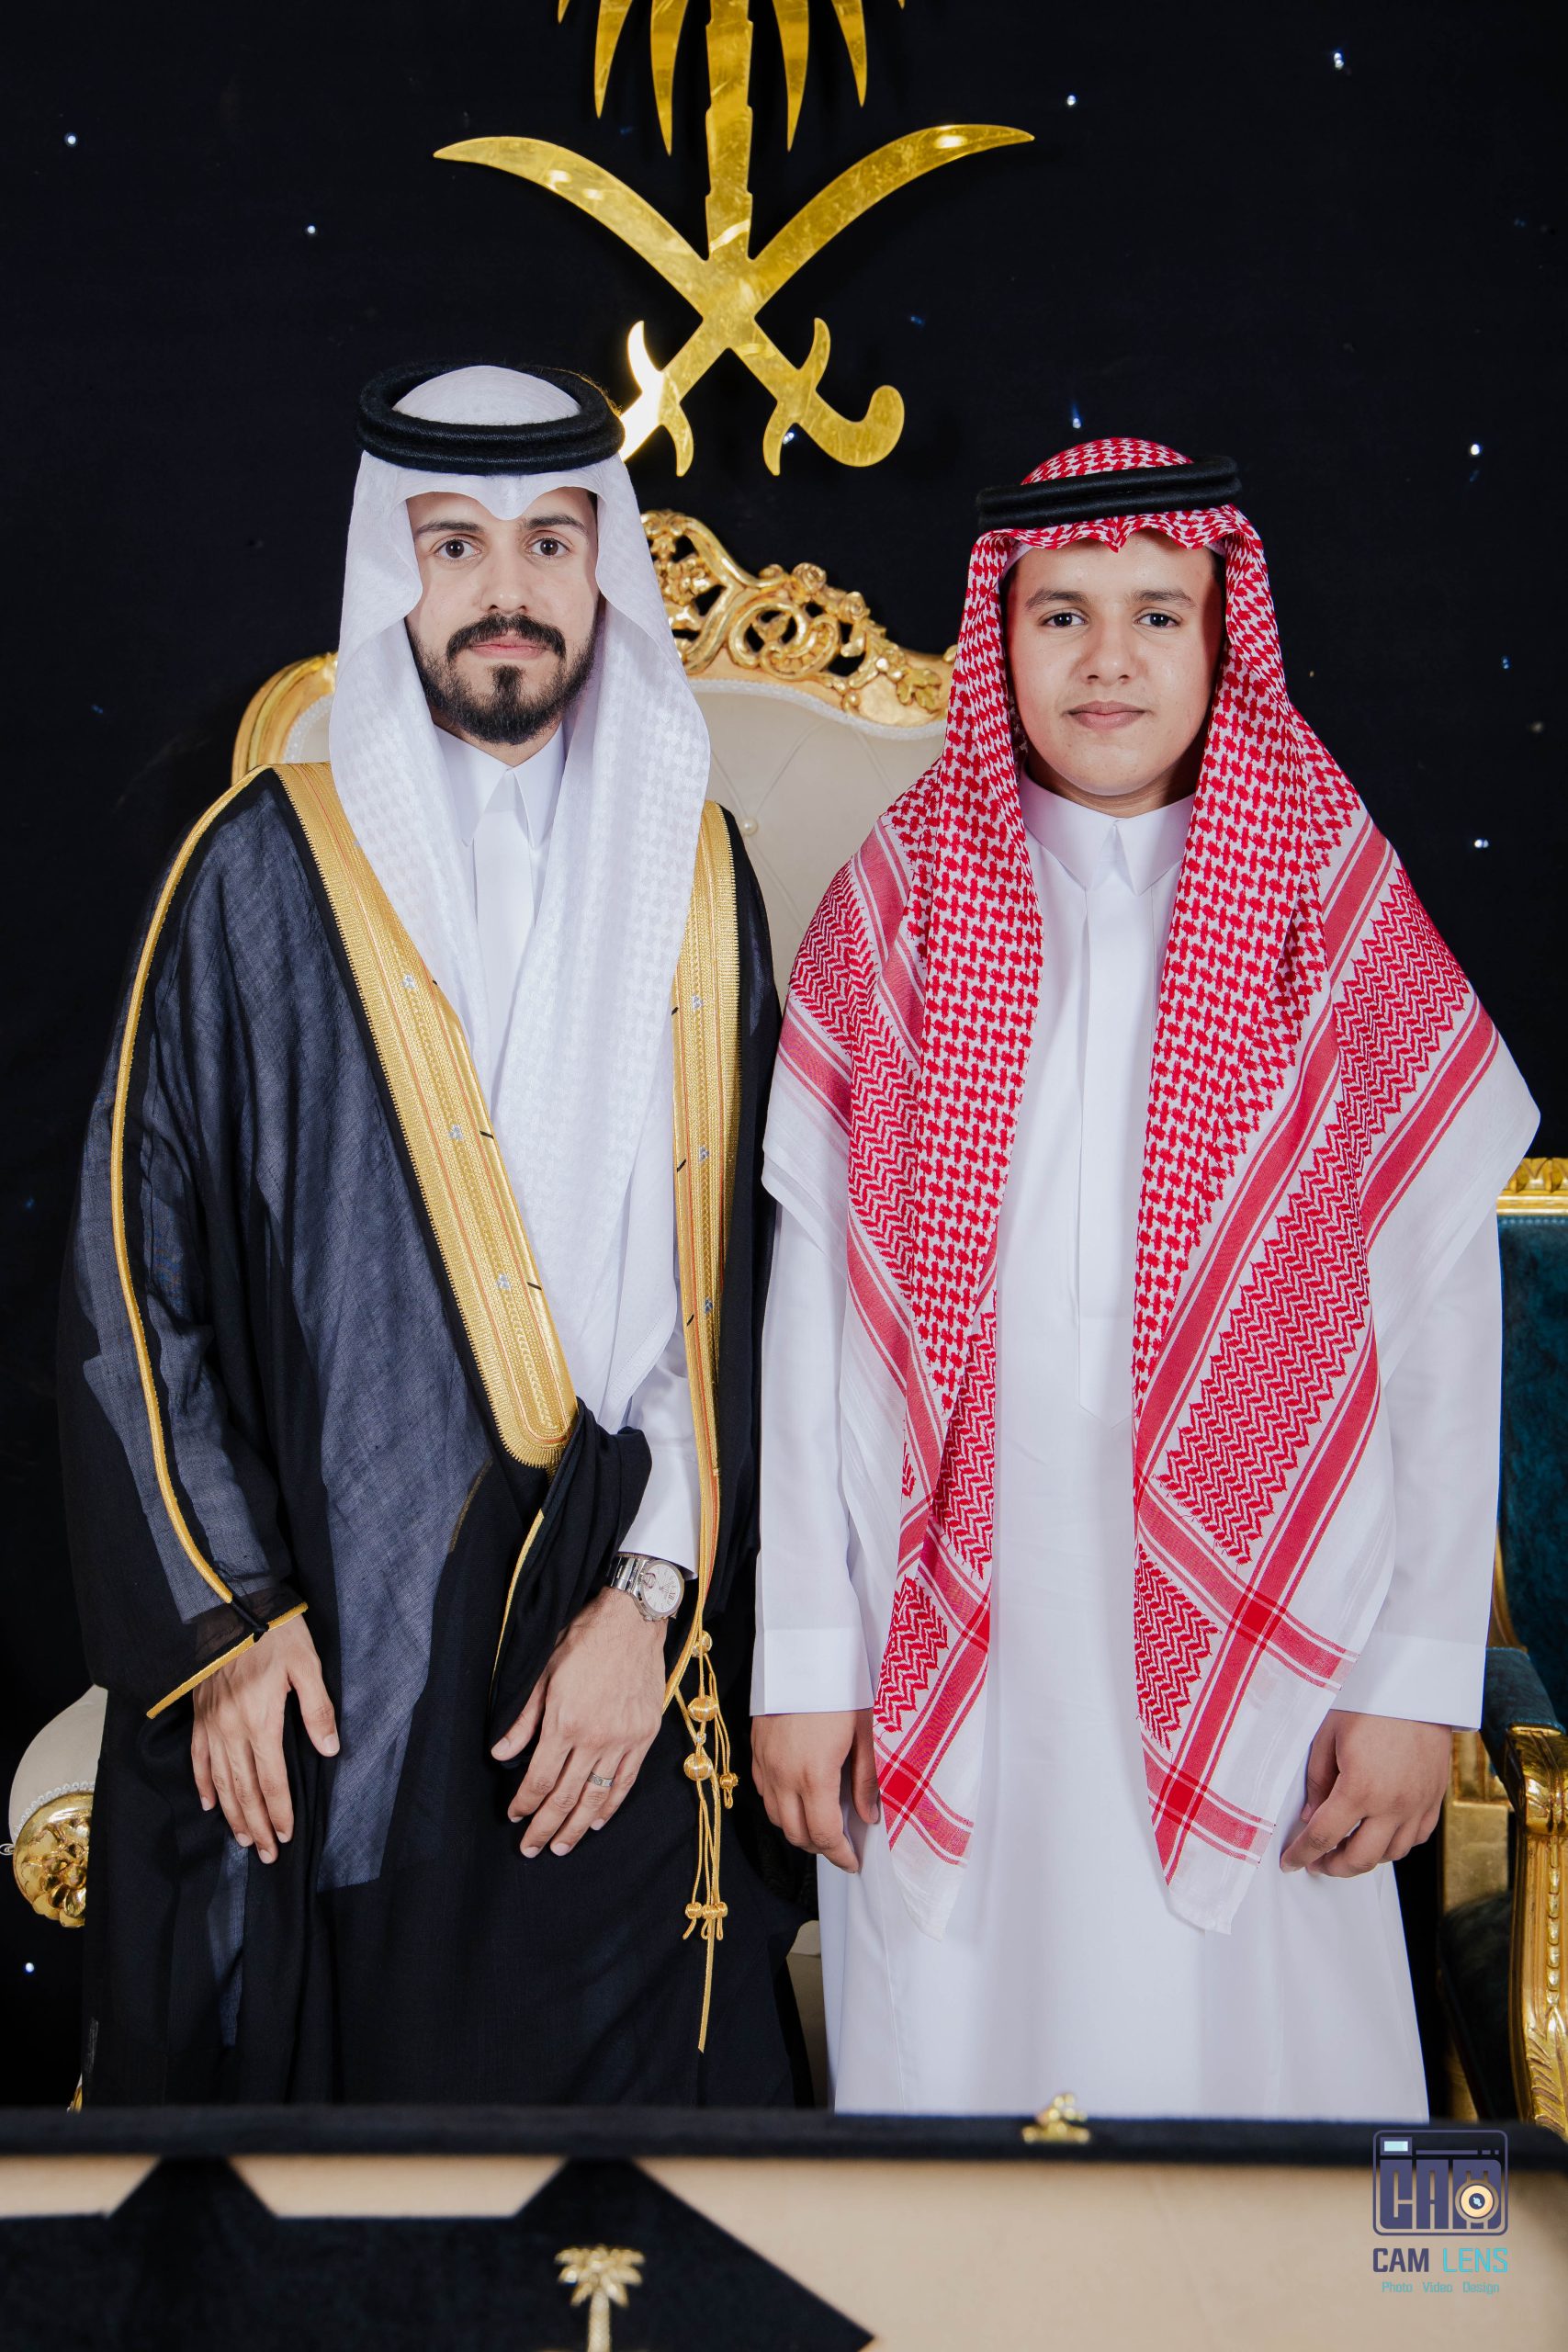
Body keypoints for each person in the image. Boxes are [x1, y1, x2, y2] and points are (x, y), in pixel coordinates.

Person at [750, 439, 1537, 2119]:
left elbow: (1441, 1313)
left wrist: (1414, 1678)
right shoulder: (901, 904)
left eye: (1157, 615)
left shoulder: (1330, 900)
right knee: (961, 2086)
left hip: (1278, 1638)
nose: (1108, 660)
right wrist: (806, 1653)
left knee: (1272, 2110)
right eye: (1063, 615)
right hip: (945, 1636)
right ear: (999, 637)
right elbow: (811, 1317)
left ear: (1221, 636)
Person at [61, 362, 802, 2105]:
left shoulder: (701, 878)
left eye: (551, 543)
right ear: (394, 570)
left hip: (618, 1628)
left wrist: (651, 1599)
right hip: (328, 1618)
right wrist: (227, 1623)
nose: (506, 592)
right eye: (456, 544)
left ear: (603, 570)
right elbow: (131, 1277)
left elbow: (750, 1295)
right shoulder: (257, 873)